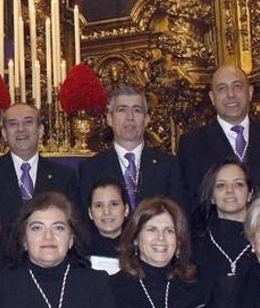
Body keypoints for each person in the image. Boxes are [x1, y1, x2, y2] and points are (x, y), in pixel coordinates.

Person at [178, 64, 260, 219]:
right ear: (212, 98)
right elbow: (191, 203)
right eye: (222, 88)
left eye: (237, 86)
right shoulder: (192, 144)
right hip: (217, 239)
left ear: (250, 92)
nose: (230, 94)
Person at [109, 197, 208, 308]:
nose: (161, 238)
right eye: (151, 229)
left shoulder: (198, 292)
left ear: (179, 240)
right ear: (135, 238)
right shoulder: (111, 290)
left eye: (169, 231)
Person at [78, 85, 190, 216]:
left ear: (146, 119)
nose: (130, 117)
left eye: (137, 110)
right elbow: (85, 221)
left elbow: (179, 215)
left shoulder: (169, 165)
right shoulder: (91, 168)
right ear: (109, 119)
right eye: (122, 110)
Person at [0, 102, 78, 231]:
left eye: (28, 122)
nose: (21, 129)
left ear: (40, 130)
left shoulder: (64, 176)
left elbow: (73, 225)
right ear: (4, 133)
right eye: (13, 124)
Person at [192, 159, 256, 287]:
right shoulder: (195, 248)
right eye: (221, 185)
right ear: (211, 197)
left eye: (238, 184)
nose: (230, 190)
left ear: (250, 194)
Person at [84, 177, 128, 274]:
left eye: (114, 204)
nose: (107, 212)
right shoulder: (78, 252)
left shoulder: (139, 248)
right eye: (99, 205)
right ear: (90, 212)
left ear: (126, 209)